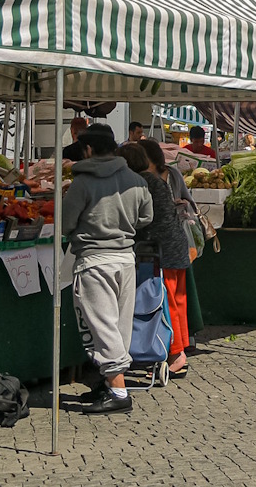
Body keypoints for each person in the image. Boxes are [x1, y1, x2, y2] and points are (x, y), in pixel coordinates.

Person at [63, 124, 153, 413]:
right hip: (126, 259)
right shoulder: (135, 180)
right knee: (119, 325)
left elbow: (65, 223)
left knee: (101, 325)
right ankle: (110, 382)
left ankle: (117, 391)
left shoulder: (82, 183)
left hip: (94, 260)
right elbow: (146, 216)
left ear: (88, 149)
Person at [126, 141, 192, 378]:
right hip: (176, 247)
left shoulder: (143, 182)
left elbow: (143, 219)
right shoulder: (158, 180)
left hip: (162, 250)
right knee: (178, 301)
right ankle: (181, 348)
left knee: (168, 302)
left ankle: (175, 353)